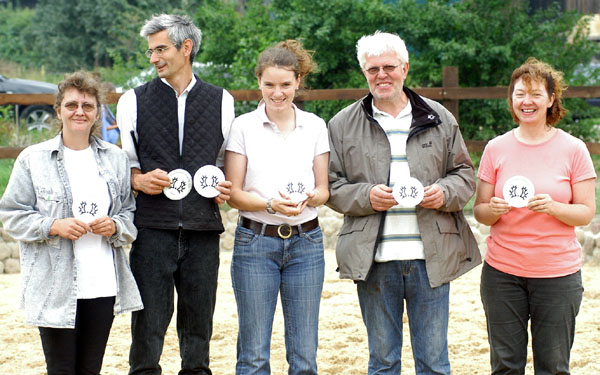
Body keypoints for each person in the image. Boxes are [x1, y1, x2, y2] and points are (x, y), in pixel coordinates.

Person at [326, 31, 481, 375]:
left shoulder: (439, 117)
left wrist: (444, 192)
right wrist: (366, 195)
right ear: (363, 72)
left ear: (405, 68)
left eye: (389, 67)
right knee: (382, 362)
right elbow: (332, 186)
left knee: (434, 363)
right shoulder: (341, 124)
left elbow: (464, 175)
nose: (381, 75)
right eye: (372, 69)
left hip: (432, 259)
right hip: (375, 260)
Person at [0, 71, 142, 375]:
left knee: (90, 370)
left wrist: (115, 226)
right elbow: (11, 214)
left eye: (88, 106)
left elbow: (129, 212)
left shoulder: (116, 159)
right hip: (54, 286)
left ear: (98, 113)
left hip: (102, 283)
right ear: (58, 110)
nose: (80, 111)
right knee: (62, 369)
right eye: (72, 105)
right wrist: (53, 226)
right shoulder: (32, 159)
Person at [116, 14, 234, 375]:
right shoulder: (131, 102)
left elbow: (225, 163)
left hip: (202, 230)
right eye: (150, 51)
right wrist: (137, 181)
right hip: (152, 229)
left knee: (199, 331)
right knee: (147, 331)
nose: (153, 58)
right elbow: (125, 166)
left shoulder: (222, 100)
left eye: (161, 49)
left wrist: (224, 187)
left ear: (186, 48)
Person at [473, 58, 596, 374]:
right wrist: (494, 209)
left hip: (557, 275)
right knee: (505, 365)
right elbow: (480, 211)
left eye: (536, 94)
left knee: (553, 366)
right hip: (502, 274)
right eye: (519, 94)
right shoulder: (495, 148)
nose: (526, 101)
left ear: (551, 99)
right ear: (511, 99)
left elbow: (585, 213)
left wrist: (553, 207)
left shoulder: (573, 149)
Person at [224, 39, 329, 375]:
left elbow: (324, 189)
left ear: (298, 81)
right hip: (255, 242)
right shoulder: (242, 127)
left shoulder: (315, 125)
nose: (278, 92)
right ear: (259, 82)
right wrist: (271, 204)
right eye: (269, 85)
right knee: (253, 353)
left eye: (285, 84)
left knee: (304, 354)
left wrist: (311, 198)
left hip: (307, 242)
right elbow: (234, 195)